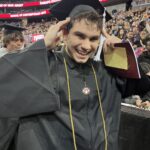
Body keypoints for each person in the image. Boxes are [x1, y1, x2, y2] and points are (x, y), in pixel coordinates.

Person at [0, 3, 150, 150]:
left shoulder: (107, 72)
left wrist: (122, 55)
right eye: (80, 36)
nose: (86, 46)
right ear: (65, 33)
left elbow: (143, 86)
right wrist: (43, 45)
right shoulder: (44, 67)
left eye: (93, 39)